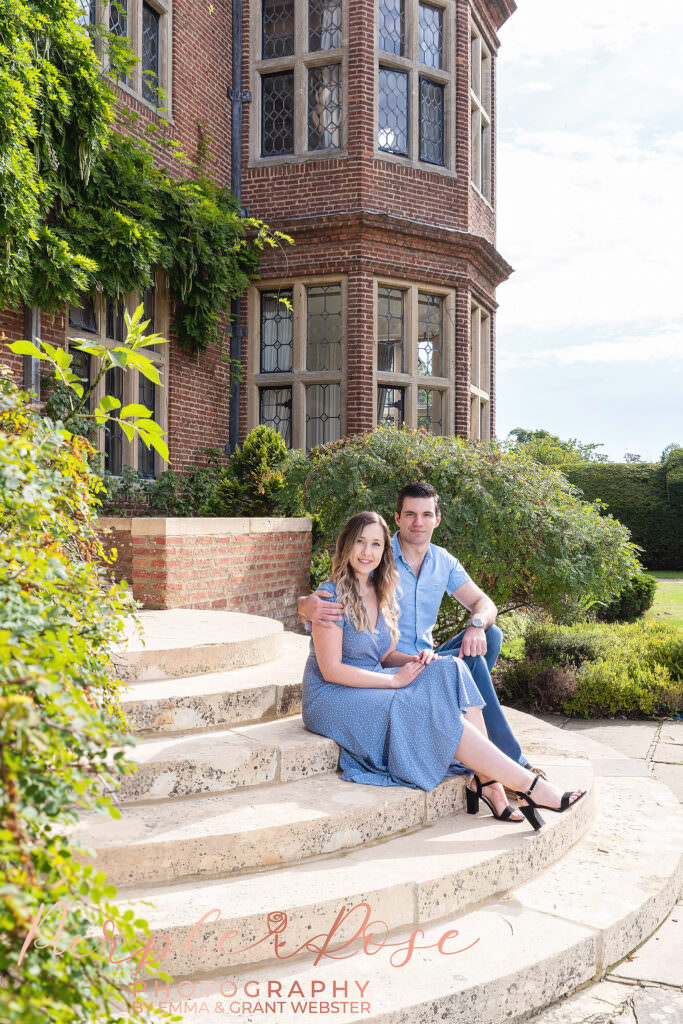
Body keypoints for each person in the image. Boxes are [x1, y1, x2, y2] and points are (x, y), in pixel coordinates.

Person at [301, 510, 585, 829]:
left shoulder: (380, 592)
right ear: (346, 546)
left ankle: (486, 781)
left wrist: (417, 661)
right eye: (360, 543)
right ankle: (529, 786)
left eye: (376, 545)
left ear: (384, 552)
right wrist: (395, 682)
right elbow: (331, 670)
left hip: (372, 681)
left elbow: (386, 653)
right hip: (334, 697)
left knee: (451, 668)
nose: (367, 552)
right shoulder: (329, 595)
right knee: (422, 708)